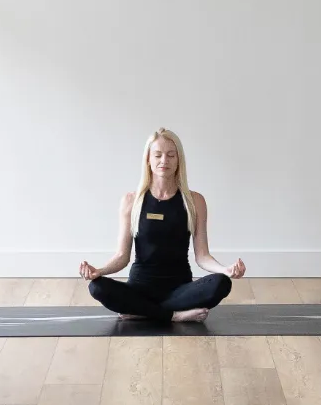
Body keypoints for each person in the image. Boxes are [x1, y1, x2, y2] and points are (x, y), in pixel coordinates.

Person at [79, 128, 245, 322]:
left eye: (170, 155)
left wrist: (225, 269)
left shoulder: (195, 201)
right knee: (97, 287)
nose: (164, 161)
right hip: (139, 288)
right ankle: (173, 315)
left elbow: (202, 256)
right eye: (157, 155)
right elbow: (122, 256)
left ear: (178, 160)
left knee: (221, 283)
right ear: (148, 160)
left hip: (179, 290)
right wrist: (99, 271)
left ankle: (142, 311)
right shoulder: (131, 201)